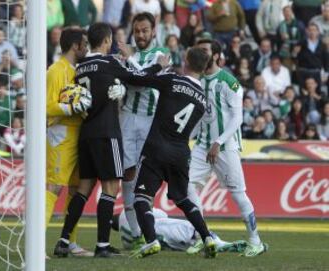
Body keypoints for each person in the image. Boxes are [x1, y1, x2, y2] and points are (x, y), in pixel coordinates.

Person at [54, 22, 168, 258]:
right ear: (106, 41)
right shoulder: (110, 62)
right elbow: (138, 78)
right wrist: (159, 65)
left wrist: (116, 87)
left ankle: (63, 241)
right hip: (107, 132)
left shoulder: (81, 66)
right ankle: (103, 246)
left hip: (85, 134)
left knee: (83, 189)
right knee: (110, 187)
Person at [130, 48, 218, 259]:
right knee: (183, 199)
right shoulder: (204, 101)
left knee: (141, 198)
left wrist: (158, 64)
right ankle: (207, 237)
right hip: (180, 153)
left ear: (185, 61)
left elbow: (141, 78)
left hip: (157, 147)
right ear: (205, 69)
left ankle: (151, 241)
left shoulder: (171, 79)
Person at [187, 39, 267, 257]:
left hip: (225, 146)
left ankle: (255, 241)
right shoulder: (198, 80)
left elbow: (237, 118)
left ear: (215, 56)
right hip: (203, 145)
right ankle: (202, 236)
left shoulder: (229, 82)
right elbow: (200, 116)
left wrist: (218, 142)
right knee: (187, 187)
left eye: (204, 51)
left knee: (238, 193)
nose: (199, 54)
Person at [117, 12, 170, 249]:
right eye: (137, 31)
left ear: (153, 30)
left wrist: (131, 62)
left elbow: (144, 81)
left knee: (144, 177)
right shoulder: (126, 55)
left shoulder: (161, 56)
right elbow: (128, 80)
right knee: (127, 175)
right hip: (127, 118)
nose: (140, 35)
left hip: (150, 120)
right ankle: (136, 233)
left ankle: (145, 228)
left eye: (145, 30)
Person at [45, 27, 92, 258]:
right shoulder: (55, 70)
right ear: (76, 46)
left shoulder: (81, 70)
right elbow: (45, 106)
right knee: (53, 187)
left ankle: (70, 242)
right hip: (61, 135)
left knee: (75, 190)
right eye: (85, 43)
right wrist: (70, 107)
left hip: (80, 135)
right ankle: (35, 244)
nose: (87, 47)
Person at [113, 208, 247, 253]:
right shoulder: (127, 212)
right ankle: (215, 241)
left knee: (184, 243)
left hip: (160, 243)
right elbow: (162, 215)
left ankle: (216, 244)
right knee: (189, 227)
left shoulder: (126, 242)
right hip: (156, 230)